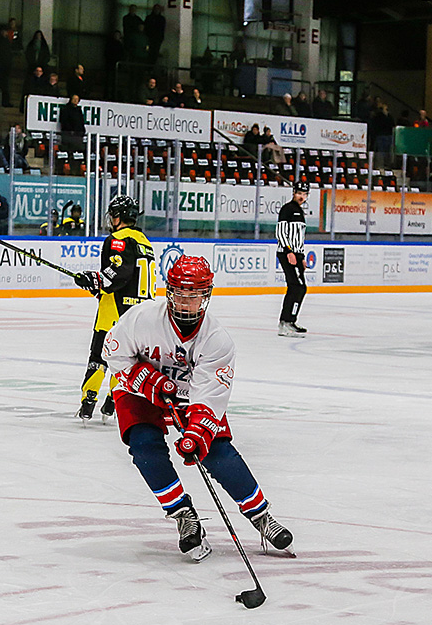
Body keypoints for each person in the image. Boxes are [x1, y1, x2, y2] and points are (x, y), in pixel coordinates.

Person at [102, 255, 295, 560]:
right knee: (143, 445)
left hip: (188, 395)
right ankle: (183, 515)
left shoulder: (217, 340)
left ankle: (260, 516)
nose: (186, 302)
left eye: (194, 296)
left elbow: (209, 396)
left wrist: (198, 433)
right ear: (169, 292)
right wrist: (147, 380)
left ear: (206, 295)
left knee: (217, 451)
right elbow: (113, 354)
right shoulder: (142, 319)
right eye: (180, 294)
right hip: (139, 390)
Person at [72, 194, 155, 422]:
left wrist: (96, 279)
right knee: (124, 358)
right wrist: (96, 284)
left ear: (119, 216)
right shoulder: (144, 241)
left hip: (115, 310)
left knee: (99, 355)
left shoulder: (118, 238)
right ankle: (113, 401)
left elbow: (119, 272)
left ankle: (88, 402)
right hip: (140, 313)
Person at [276, 181, 309, 337]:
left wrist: (301, 256)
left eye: (304, 194)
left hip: (296, 254)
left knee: (299, 287)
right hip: (286, 253)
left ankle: (289, 321)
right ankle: (286, 322)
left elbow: (299, 238)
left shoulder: (300, 212)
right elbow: (281, 232)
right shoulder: (287, 209)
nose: (302, 197)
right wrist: (289, 251)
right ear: (294, 193)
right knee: (297, 286)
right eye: (299, 193)